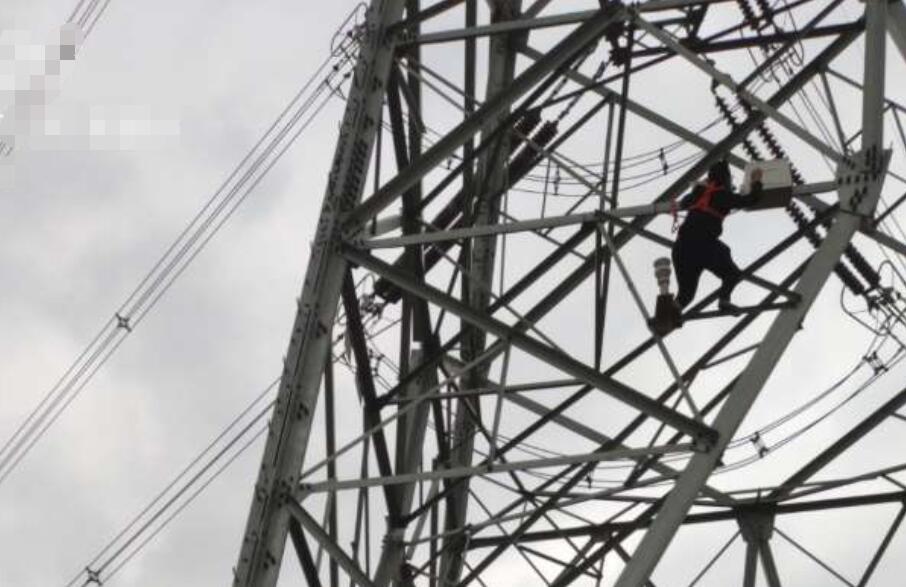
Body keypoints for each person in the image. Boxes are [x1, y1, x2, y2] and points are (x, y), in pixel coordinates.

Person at [672, 160, 763, 313]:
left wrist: (699, 188)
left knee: (685, 295)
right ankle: (724, 300)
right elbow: (751, 200)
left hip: (682, 248)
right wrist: (757, 182)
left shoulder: (696, 195)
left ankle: (666, 315)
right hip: (704, 247)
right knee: (732, 274)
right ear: (726, 180)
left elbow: (683, 203)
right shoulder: (724, 196)